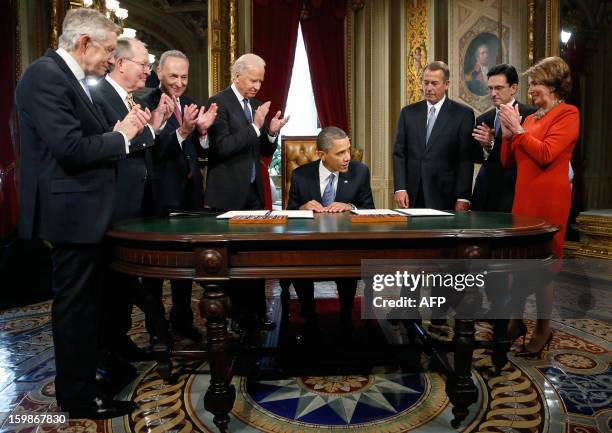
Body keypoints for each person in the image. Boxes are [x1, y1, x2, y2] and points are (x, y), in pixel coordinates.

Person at [15, 8, 150, 419]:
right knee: (75, 310)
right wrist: (121, 135)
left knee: (89, 306)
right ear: (84, 42)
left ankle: (92, 380)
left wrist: (118, 132)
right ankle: (77, 398)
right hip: (70, 214)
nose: (111, 59)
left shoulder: (69, 77)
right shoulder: (45, 75)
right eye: (109, 50)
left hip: (85, 212)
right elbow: (71, 150)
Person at [89, 37, 175, 377]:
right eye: (144, 63)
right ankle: (105, 351)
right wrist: (147, 131)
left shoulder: (128, 99)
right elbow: (114, 142)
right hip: (112, 206)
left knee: (122, 282)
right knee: (109, 285)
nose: (148, 70)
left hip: (134, 207)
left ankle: (119, 340)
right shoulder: (99, 96)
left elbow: (135, 142)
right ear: (121, 63)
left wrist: (152, 127)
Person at [499, 56, 580, 356]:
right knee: (518, 263)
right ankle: (515, 321)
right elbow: (509, 161)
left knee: (543, 265)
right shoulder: (531, 119)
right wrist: (509, 135)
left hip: (550, 200)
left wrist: (518, 132)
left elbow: (546, 154)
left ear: (553, 85)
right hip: (524, 199)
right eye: (530, 83)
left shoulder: (568, 114)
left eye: (535, 83)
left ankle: (544, 328)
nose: (531, 89)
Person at [204, 53, 289, 331]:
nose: (257, 86)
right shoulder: (219, 103)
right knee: (234, 262)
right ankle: (237, 318)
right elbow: (222, 148)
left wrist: (271, 134)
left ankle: (256, 312)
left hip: (253, 194)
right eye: (253, 79)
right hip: (227, 195)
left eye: (260, 81)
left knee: (254, 258)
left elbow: (261, 151)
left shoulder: (254, 105)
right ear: (236, 75)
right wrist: (255, 126)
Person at [144, 49, 217, 342]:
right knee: (156, 269)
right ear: (159, 73)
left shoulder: (188, 103)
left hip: (191, 196)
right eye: (173, 75)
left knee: (186, 265)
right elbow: (152, 152)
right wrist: (183, 131)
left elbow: (200, 153)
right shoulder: (145, 103)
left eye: (184, 76)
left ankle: (183, 319)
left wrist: (201, 134)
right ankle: (155, 328)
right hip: (161, 196)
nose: (179, 82)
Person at [287, 127, 374, 336]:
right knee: (298, 263)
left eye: (348, 150)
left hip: (344, 243)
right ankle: (308, 314)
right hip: (309, 244)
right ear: (321, 155)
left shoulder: (359, 171)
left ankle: (346, 313)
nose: (347, 158)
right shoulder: (301, 175)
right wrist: (302, 208)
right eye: (340, 153)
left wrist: (350, 207)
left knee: (348, 261)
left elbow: (370, 209)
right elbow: (289, 214)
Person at [393, 61, 474, 211]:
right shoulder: (408, 113)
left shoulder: (463, 114)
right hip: (412, 194)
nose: (429, 88)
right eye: (426, 83)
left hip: (446, 195)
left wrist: (463, 197)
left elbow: (465, 159)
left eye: (434, 83)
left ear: (446, 84)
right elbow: (399, 153)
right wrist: (400, 188)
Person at [471, 64, 536, 212]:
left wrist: (493, 143)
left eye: (498, 88)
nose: (493, 93)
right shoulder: (483, 118)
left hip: (512, 192)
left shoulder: (530, 115)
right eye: (490, 88)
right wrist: (484, 148)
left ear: (513, 88)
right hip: (484, 193)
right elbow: (476, 157)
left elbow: (523, 156)